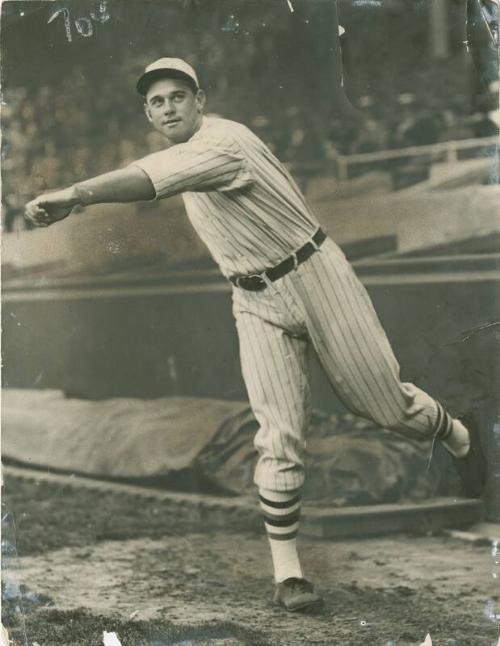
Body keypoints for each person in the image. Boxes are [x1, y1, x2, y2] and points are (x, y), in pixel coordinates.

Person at [25, 58, 486, 613]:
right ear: (147, 113)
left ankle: (458, 433)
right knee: (278, 433)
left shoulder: (226, 141)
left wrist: (75, 193)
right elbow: (159, 170)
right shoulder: (183, 153)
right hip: (254, 297)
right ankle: (289, 574)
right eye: (157, 102)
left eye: (177, 96)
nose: (168, 107)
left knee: (385, 406)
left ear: (201, 99)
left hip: (315, 273)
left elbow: (147, 179)